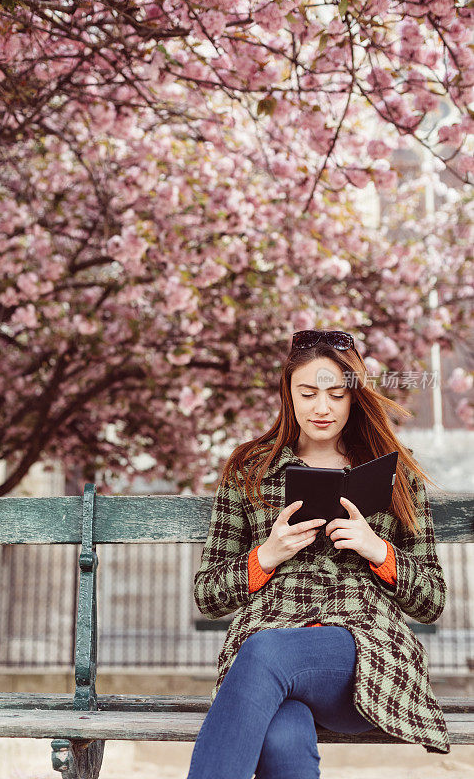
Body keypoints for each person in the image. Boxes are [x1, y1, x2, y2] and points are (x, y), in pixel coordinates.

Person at [186, 329, 450, 779]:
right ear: (288, 394)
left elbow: (432, 601)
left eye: (335, 394)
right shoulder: (251, 469)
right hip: (269, 652)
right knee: (282, 735)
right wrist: (265, 555)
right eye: (307, 393)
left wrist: (378, 550)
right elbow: (208, 596)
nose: (321, 408)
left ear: (354, 396)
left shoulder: (395, 471)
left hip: (363, 653)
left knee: (265, 652)